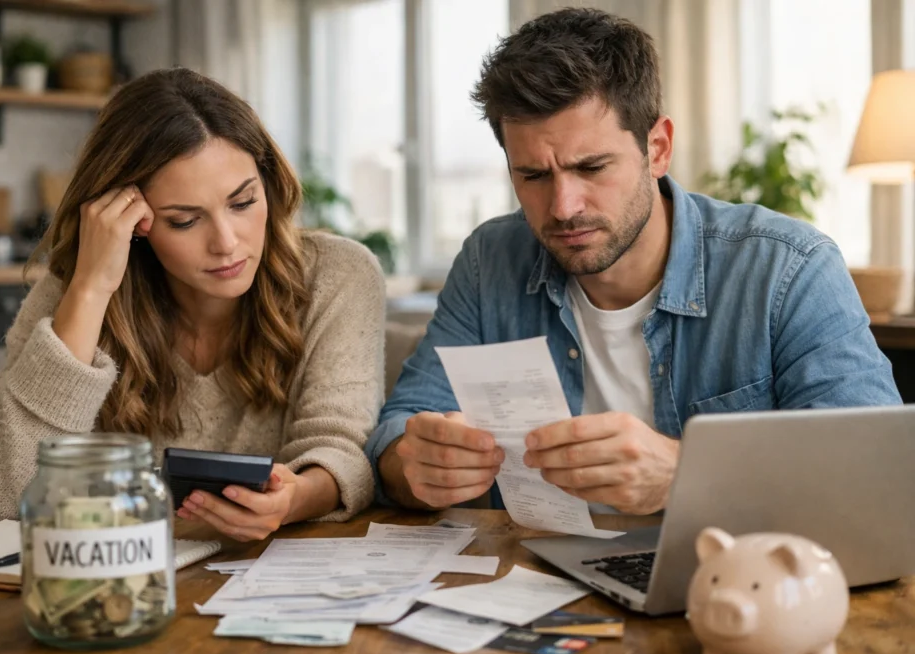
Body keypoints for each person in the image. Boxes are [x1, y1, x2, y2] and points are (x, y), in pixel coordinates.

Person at [365, 7, 901, 516]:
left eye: (592, 167)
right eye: (532, 176)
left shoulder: (788, 270)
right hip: (534, 582)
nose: (563, 207)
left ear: (659, 148)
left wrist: (685, 474)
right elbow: (396, 436)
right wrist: (414, 467)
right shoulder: (489, 262)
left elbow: (880, 480)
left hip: (724, 584)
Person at [0, 68, 386, 540]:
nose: (226, 243)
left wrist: (292, 498)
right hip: (118, 581)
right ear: (132, 221)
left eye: (242, 203)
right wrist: (92, 289)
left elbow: (341, 449)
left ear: (268, 183)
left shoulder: (337, 276)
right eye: (184, 220)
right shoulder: (77, 292)